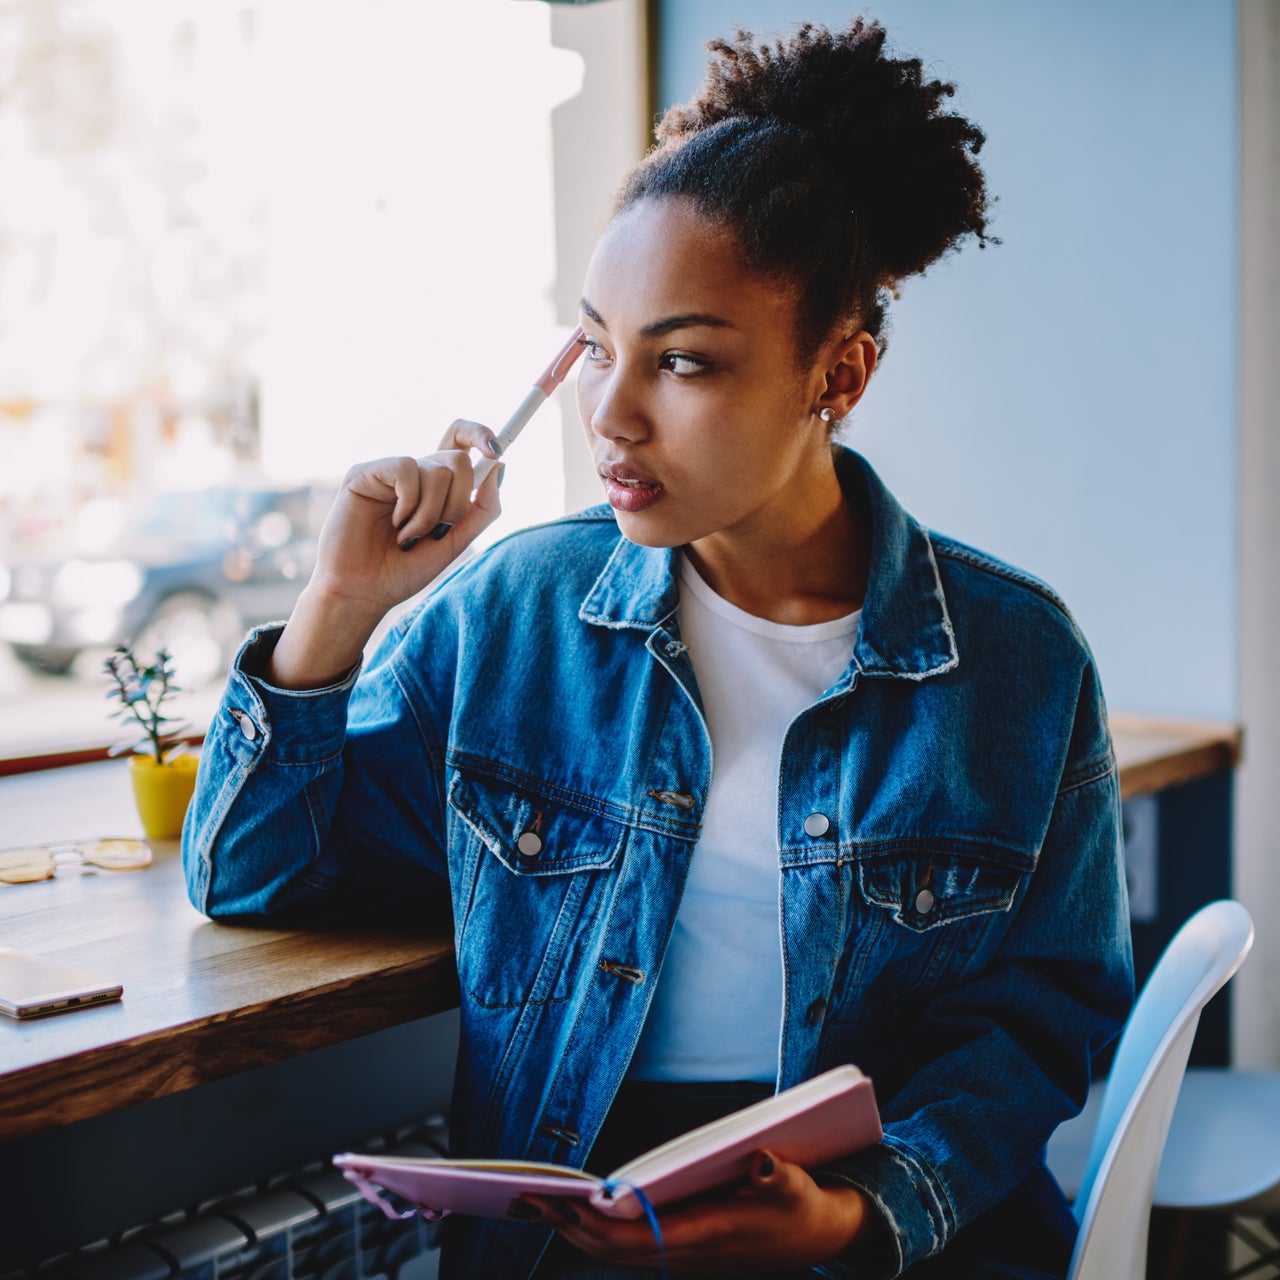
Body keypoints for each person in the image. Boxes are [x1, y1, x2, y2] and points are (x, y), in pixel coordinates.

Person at [183, 18, 1133, 1280]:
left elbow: (1037, 1020)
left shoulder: (1013, 661)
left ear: (837, 375)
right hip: (574, 1226)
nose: (612, 413)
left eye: (682, 361)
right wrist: (337, 609)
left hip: (886, 1231)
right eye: (594, 346)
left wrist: (855, 1215)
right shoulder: (515, 613)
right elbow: (251, 874)